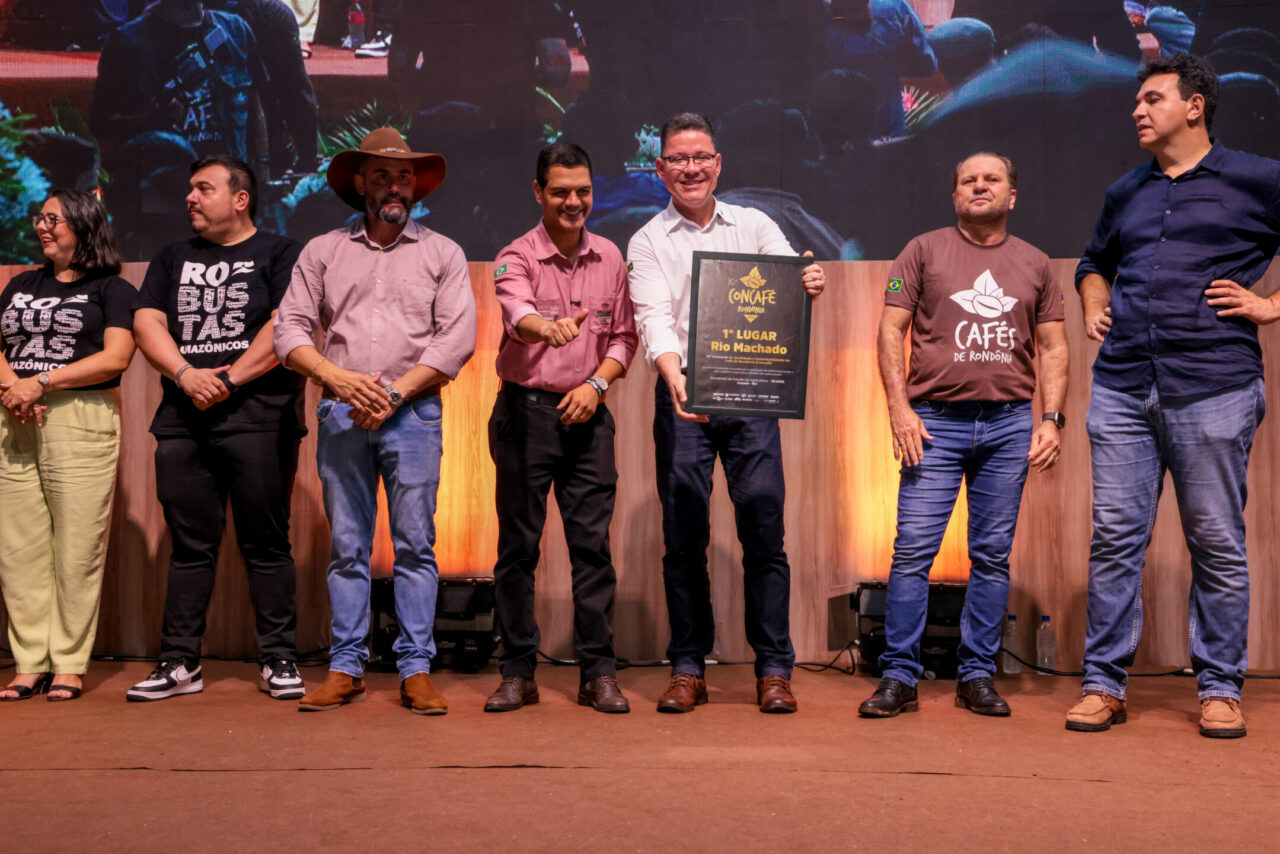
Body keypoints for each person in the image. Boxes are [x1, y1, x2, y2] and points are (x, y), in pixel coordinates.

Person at [1070, 53, 1280, 739]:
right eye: (1137, 101)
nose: (1137, 109)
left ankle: (1219, 687)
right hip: (1123, 386)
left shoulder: (1256, 177)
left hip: (1213, 385)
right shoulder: (1125, 190)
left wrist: (1269, 304)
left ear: (1195, 107)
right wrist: (1093, 301)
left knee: (1215, 541)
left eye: (1152, 99)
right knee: (1114, 541)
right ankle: (1104, 685)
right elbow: (1093, 262)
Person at [626, 112, 826, 714]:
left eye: (700, 158)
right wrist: (674, 378)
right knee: (683, 537)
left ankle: (774, 669)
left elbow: (788, 279)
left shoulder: (755, 224)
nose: (690, 169)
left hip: (751, 396)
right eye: (678, 159)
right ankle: (688, 667)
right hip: (683, 395)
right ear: (660, 168)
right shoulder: (647, 240)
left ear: (718, 164)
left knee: (764, 529)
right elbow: (652, 318)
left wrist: (807, 279)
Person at [857, 152, 1068, 719]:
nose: (979, 186)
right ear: (954, 196)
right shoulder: (921, 251)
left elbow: (1053, 347)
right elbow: (890, 332)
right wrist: (899, 410)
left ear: (1011, 195)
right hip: (934, 424)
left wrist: (1052, 419)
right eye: (968, 180)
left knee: (992, 557)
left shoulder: (1036, 263)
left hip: (1008, 424)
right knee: (912, 554)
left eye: (991, 179)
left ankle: (976, 676)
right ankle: (899, 678)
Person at [274, 127, 476, 715]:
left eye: (404, 176)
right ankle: (346, 667)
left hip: (413, 413)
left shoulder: (443, 253)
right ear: (360, 183)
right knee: (347, 548)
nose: (395, 186)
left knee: (416, 546)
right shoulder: (322, 251)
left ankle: (416, 669)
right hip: (341, 412)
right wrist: (336, 379)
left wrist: (392, 393)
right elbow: (289, 330)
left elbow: (457, 339)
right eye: (382, 175)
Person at [127, 155, 307, 702]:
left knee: (266, 544)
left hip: (261, 418)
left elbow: (286, 324)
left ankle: (279, 658)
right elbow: (146, 321)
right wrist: (185, 374)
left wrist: (229, 380)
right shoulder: (172, 256)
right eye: (190, 189)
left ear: (240, 198)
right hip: (183, 422)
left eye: (203, 188)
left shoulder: (280, 251)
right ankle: (180, 662)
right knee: (190, 546)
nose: (190, 197)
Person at [484, 141, 638, 714]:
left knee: (592, 550)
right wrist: (544, 330)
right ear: (538, 192)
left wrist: (596, 385)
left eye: (583, 192)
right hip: (525, 415)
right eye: (560, 192)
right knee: (518, 550)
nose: (573, 202)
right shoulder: (516, 255)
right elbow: (518, 313)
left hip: (588, 416)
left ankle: (598, 673)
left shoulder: (611, 257)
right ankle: (517, 672)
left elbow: (624, 338)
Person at [0, 190, 135, 701]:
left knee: (77, 547)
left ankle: (69, 663)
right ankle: (29, 662)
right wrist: (15, 388)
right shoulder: (20, 285)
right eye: (41, 217)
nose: (42, 226)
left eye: (53, 218)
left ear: (83, 224)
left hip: (79, 416)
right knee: (19, 548)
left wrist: (42, 382)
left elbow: (115, 358)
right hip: (13, 413)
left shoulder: (112, 288)